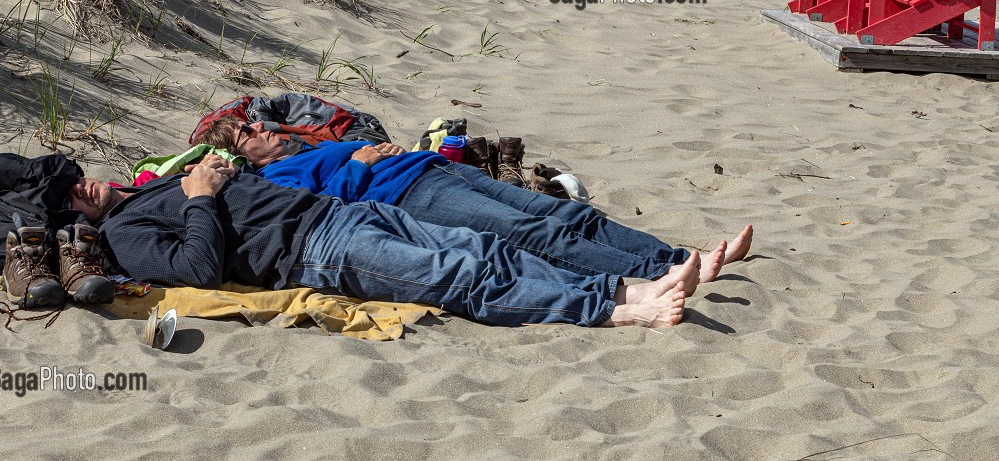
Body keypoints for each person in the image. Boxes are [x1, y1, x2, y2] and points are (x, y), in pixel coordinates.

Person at [68, 165, 695, 329]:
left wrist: (223, 179)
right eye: (70, 197)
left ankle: (629, 284)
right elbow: (197, 271)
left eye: (78, 178)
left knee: (485, 246)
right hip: (314, 249)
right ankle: (614, 309)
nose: (84, 187)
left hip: (342, 212)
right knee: (455, 273)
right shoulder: (122, 236)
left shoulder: (148, 189)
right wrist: (203, 197)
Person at [196, 117, 751, 294]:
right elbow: (324, 214)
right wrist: (360, 164)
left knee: (565, 214)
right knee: (533, 234)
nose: (259, 130)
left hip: (434, 169)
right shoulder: (273, 178)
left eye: (253, 123)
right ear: (237, 156)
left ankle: (679, 253)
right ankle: (662, 272)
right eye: (245, 134)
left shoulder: (308, 143)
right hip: (409, 195)